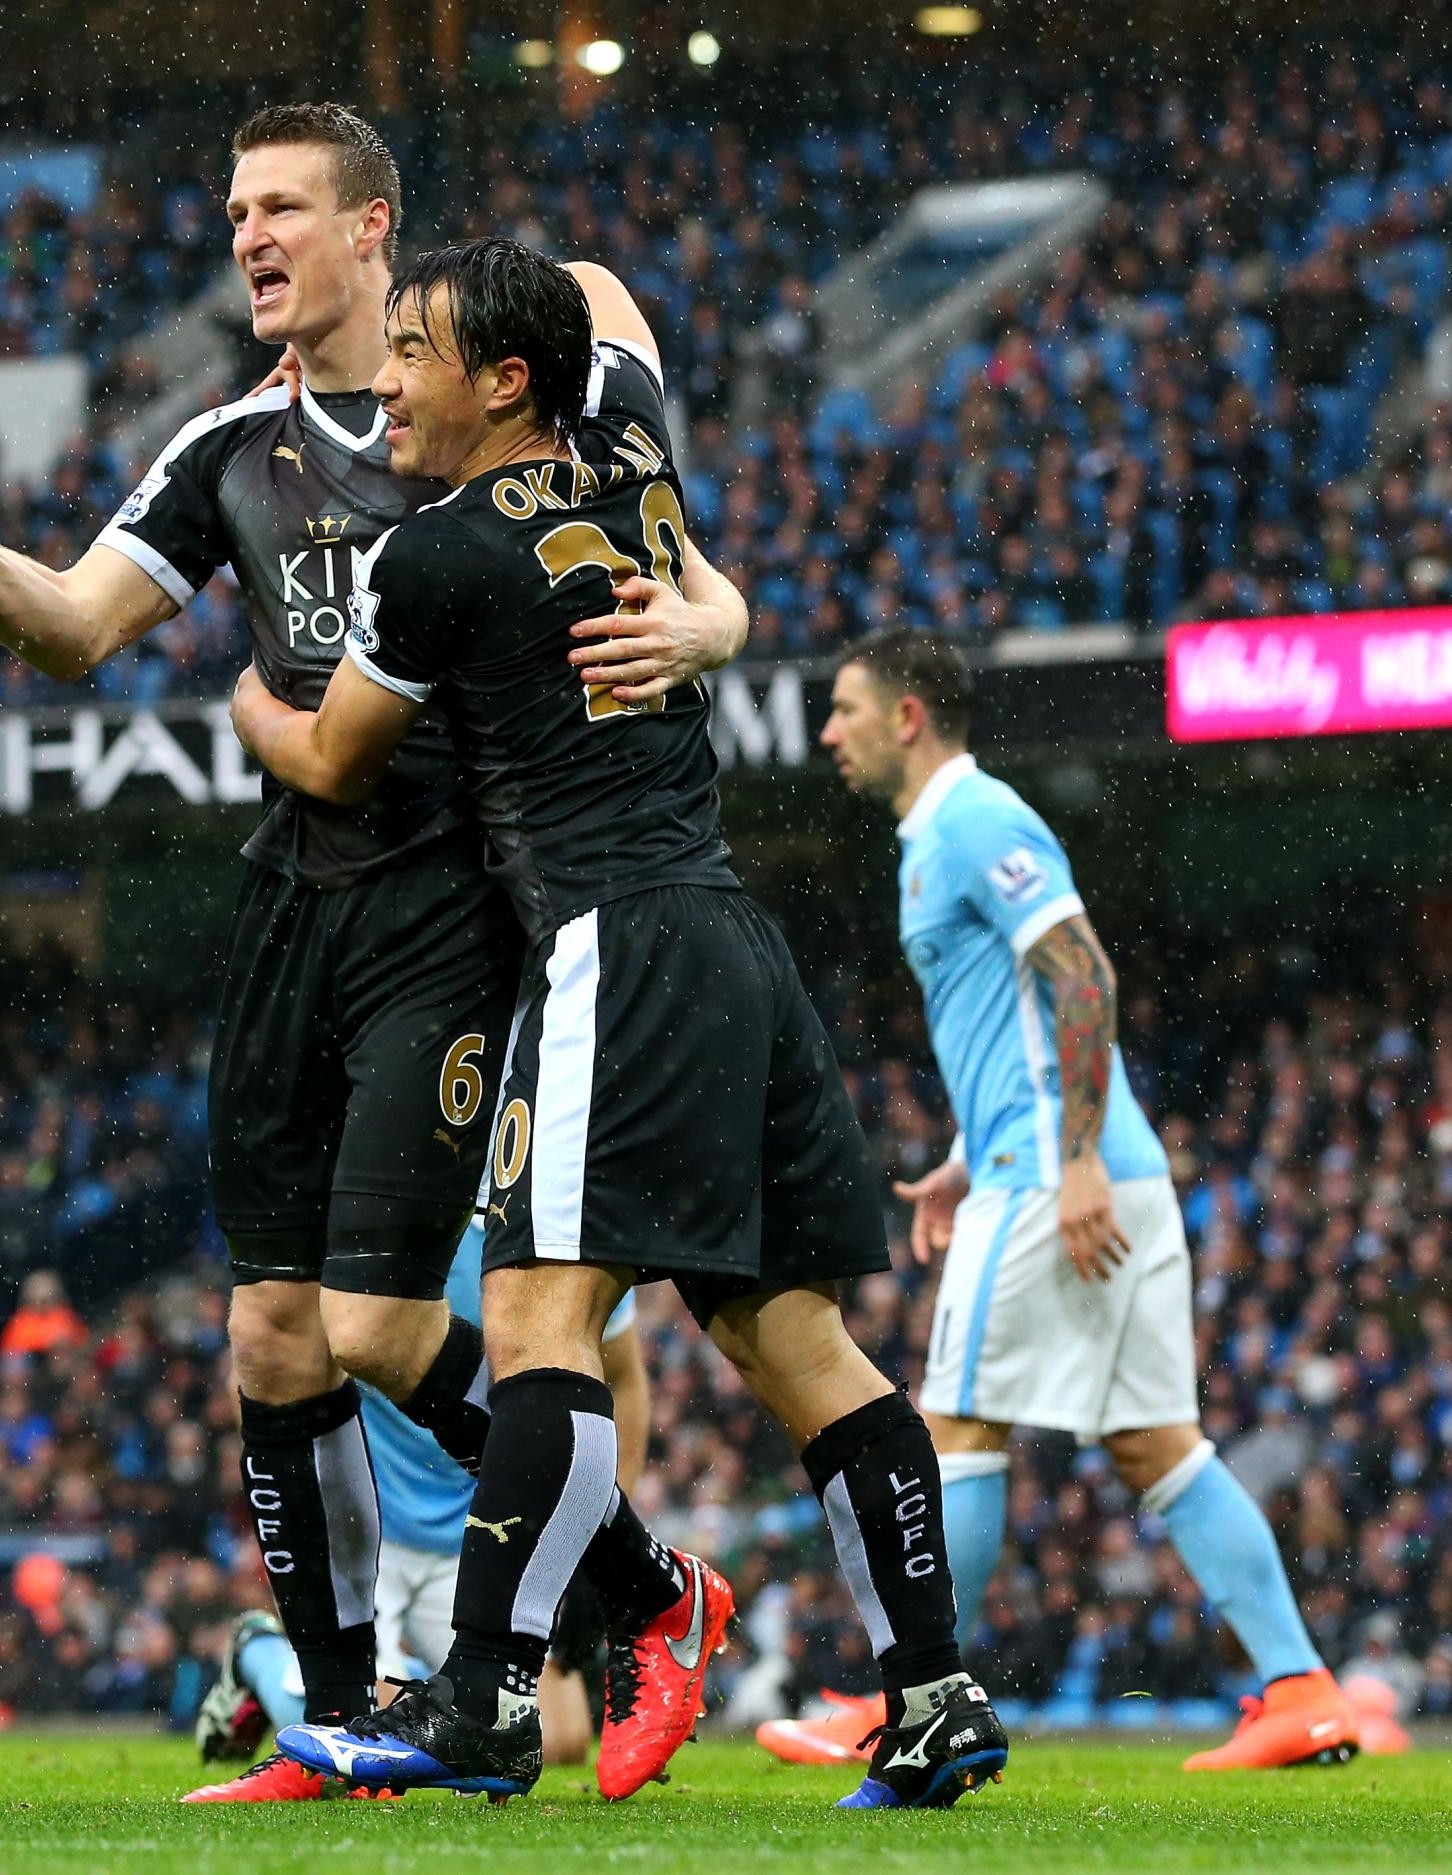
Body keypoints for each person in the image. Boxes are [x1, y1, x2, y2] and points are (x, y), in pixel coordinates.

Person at [0, 102, 746, 1804]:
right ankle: (342, 1713)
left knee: (383, 1328)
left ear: (374, 230)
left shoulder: (506, 383)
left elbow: (668, 537)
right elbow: (68, 629)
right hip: (293, 910)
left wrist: (708, 615)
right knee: (268, 1344)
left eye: (280, 207)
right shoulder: (223, 451)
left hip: (464, 911)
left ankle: (626, 1604)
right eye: (229, 213)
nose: (247, 238)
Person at [233, 239, 1005, 1810]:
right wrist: (713, 608)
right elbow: (601, 287)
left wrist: (247, 693)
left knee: (534, 1332)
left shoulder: (438, 554)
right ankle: (933, 1693)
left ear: (504, 380)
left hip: (610, 946)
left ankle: (491, 1700)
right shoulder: (631, 445)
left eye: (423, 350)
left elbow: (333, 758)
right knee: (803, 1344)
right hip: (730, 935)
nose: (389, 378)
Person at [813, 628, 1362, 1772]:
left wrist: (1061, 1165)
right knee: (1159, 1446)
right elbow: (1015, 1022)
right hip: (1074, 1169)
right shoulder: (936, 836)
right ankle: (1302, 1687)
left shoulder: (975, 819)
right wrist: (970, 1155)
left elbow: (1081, 973)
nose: (829, 733)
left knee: (953, 1428)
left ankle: (912, 1701)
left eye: (847, 710)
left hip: (1058, 1182)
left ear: (908, 715)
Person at [185, 1219, 644, 1799]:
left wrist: (585, 1546)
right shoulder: (378, 1213)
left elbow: (623, 1382)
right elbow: (270, 1365)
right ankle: (262, 1654)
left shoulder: (552, 1222)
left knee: (560, 1738)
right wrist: (303, 1525)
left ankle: (270, 1662)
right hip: (374, 1528)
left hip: (483, 1531)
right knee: (358, 1726)